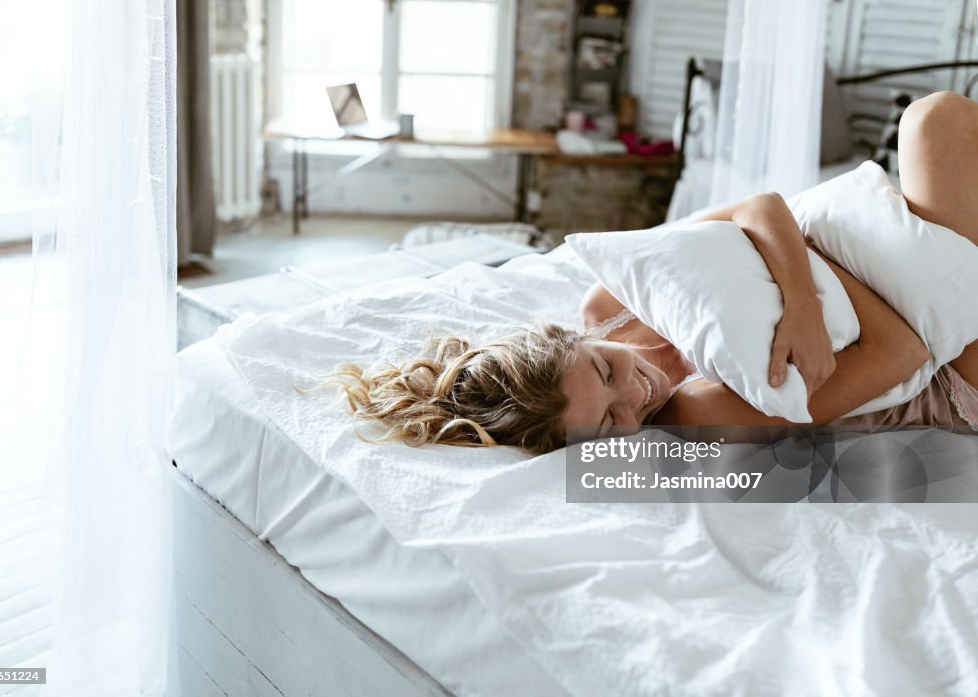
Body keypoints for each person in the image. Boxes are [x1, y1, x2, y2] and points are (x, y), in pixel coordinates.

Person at [328, 92, 978, 455]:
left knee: (937, 120)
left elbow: (756, 208)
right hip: (954, 374)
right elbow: (905, 350)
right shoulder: (699, 411)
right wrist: (811, 253)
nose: (634, 397)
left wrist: (803, 297)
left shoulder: (611, 299)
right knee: (937, 123)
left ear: (576, 339)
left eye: (605, 371)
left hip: (895, 282)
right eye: (611, 423)